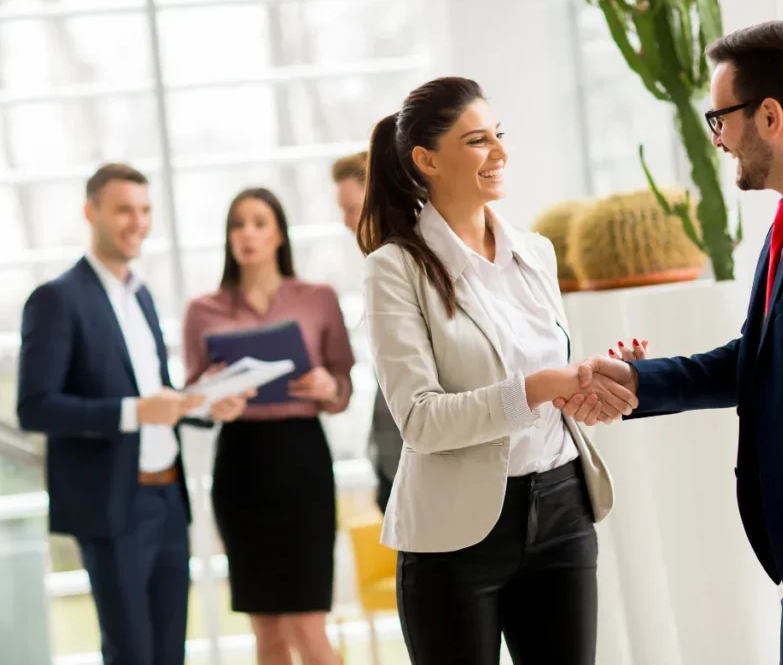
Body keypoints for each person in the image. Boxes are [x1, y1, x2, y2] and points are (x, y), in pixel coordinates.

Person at [559, 21, 783, 664]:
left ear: (768, 116)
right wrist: (641, 383)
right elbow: (762, 360)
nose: (720, 138)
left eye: (721, 117)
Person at [357, 76, 637, 665]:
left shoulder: (535, 252)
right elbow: (420, 421)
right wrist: (539, 389)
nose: (501, 153)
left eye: (499, 136)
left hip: (563, 508)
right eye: (478, 141)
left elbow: (552, 386)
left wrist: (590, 387)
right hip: (455, 537)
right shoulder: (394, 270)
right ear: (426, 159)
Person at [16, 163, 249, 665]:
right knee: (132, 654)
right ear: (90, 212)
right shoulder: (58, 299)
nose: (137, 222)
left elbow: (153, 394)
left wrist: (203, 404)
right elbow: (35, 407)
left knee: (170, 652)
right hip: (112, 504)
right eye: (123, 209)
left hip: (168, 500)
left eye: (144, 211)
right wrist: (133, 412)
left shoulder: (140, 294)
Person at [182, 187, 354, 665]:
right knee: (266, 628)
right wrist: (212, 399)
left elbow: (343, 383)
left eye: (258, 222)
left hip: (302, 464)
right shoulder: (203, 310)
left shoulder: (318, 299)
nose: (247, 234)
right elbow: (191, 397)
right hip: (240, 465)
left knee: (308, 625)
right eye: (237, 224)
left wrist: (327, 386)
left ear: (279, 232)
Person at [331, 152, 401, 513]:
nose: (346, 222)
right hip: (391, 453)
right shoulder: (376, 267)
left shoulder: (404, 269)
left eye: (352, 208)